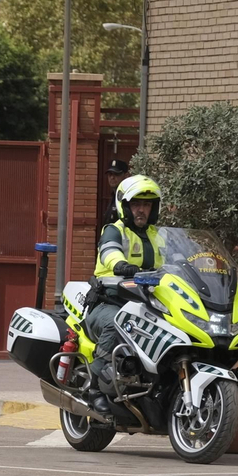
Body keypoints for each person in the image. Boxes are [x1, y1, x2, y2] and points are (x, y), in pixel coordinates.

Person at [87, 175, 165, 410]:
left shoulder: (158, 236)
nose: (142, 210)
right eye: (136, 204)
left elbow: (181, 260)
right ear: (125, 206)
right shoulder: (114, 230)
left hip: (148, 305)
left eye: (147, 205)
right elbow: (109, 251)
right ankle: (94, 387)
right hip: (109, 303)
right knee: (116, 323)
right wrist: (120, 265)